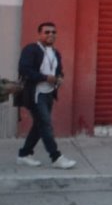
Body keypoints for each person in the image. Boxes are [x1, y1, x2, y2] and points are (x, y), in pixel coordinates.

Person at [16, 22, 77, 169]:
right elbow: (24, 69)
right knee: (45, 125)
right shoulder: (31, 49)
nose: (51, 35)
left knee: (39, 125)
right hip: (36, 94)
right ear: (40, 34)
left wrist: (59, 78)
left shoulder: (55, 53)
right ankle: (56, 157)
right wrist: (45, 78)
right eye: (47, 32)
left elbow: (59, 71)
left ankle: (24, 155)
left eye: (53, 32)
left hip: (49, 94)